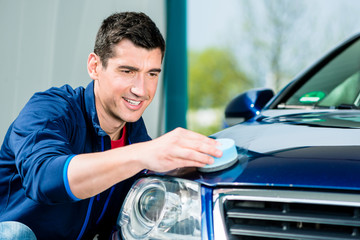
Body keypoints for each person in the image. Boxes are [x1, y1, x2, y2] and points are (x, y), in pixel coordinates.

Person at [0, 12, 222, 239]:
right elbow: (45, 178)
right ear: (95, 66)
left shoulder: (137, 142)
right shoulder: (50, 109)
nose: (141, 90)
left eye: (152, 74)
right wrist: (142, 154)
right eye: (128, 71)